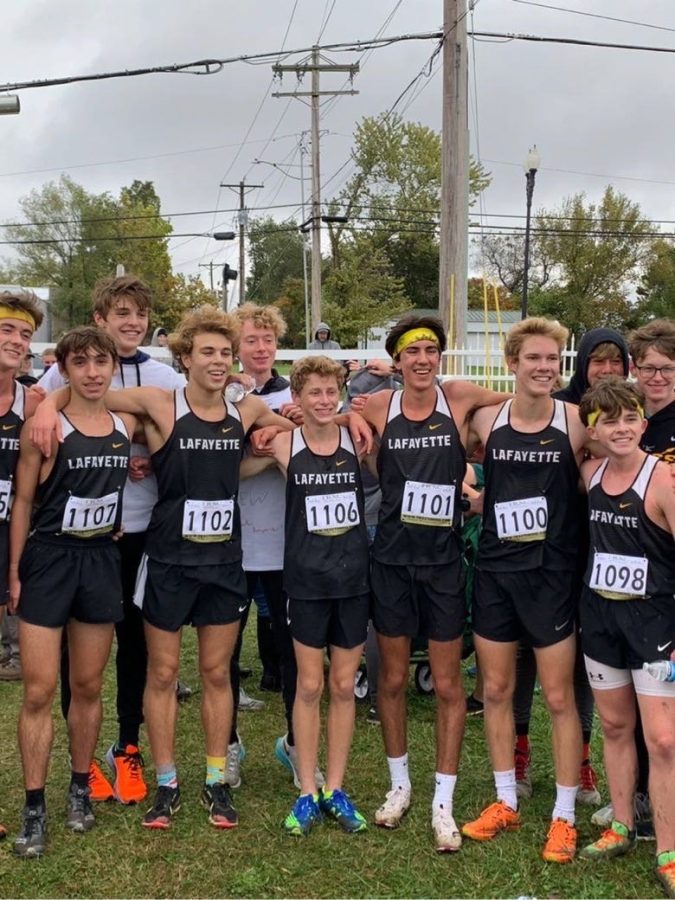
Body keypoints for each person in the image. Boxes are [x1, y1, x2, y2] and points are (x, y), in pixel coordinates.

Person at [353, 313, 508, 852]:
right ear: (395, 360)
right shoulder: (377, 405)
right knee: (392, 680)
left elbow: (517, 404)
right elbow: (332, 417)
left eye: (431, 351)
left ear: (440, 357)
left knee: (447, 685)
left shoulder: (459, 396)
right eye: (412, 351)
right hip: (392, 561)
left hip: (442, 564)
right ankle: (400, 787)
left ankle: (443, 800)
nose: (422, 360)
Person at [39, 275, 185, 805]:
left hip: (143, 529)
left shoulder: (163, 373)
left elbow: (175, 427)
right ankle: (86, 759)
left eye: (140, 314)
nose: (132, 322)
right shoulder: (72, 366)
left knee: (135, 644)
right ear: (99, 319)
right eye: (121, 312)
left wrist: (143, 443)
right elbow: (54, 401)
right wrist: (44, 407)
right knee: (72, 650)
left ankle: (127, 746)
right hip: (81, 535)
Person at [462, 317, 592, 865]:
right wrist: (467, 490)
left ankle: (563, 815)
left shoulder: (577, 421)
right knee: (494, 690)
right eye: (533, 358)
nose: (544, 368)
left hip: (551, 578)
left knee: (559, 697)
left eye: (552, 359)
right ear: (512, 363)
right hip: (495, 574)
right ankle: (504, 800)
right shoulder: (488, 420)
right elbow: (441, 439)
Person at [9, 327, 136, 858]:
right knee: (39, 690)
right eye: (79, 363)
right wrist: (15, 571)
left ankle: (80, 785)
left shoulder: (126, 421)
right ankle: (34, 804)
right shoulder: (45, 427)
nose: (91, 371)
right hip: (49, 559)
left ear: (112, 366)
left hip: (100, 561)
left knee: (87, 685)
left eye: (100, 362)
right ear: (63, 367)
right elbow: (22, 501)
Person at [242, 355, 371, 836]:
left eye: (330, 391)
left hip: (353, 580)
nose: (322, 400)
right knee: (310, 685)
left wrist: (352, 415)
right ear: (295, 398)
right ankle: (305, 790)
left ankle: (335, 787)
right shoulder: (283, 443)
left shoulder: (356, 441)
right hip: (305, 583)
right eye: (312, 392)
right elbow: (232, 463)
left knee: (343, 685)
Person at [512, 327, 629, 805]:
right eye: (596, 362)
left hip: (600, 556)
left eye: (615, 363)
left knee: (585, 660)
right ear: (581, 366)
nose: (605, 370)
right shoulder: (558, 407)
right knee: (521, 655)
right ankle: (520, 754)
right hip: (537, 554)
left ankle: (582, 762)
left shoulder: (626, 418)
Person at [576, 377, 675, 900]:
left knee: (663, 741)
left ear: (643, 421)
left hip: (655, 627)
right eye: (609, 420)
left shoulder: (663, 480)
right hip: (602, 624)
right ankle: (619, 825)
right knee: (614, 727)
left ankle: (669, 848)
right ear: (593, 430)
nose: (622, 428)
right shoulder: (589, 475)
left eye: (630, 417)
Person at [232, 302, 324, 791]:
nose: (261, 348)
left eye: (268, 340)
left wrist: (288, 425)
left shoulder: (297, 393)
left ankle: (294, 742)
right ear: (237, 347)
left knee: (294, 652)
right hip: (231, 540)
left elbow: (321, 437)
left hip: (288, 542)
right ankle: (228, 744)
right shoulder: (224, 391)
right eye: (251, 340)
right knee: (222, 653)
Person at [0, 289, 45, 835]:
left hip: (14, 545)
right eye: (7, 331)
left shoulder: (33, 403)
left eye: (24, 335)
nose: (15, 341)